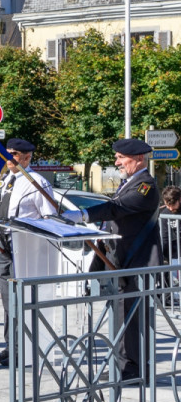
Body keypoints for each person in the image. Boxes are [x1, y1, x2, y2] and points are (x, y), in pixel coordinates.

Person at [64, 138, 161, 381]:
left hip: (138, 262)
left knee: (134, 318)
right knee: (120, 315)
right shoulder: (128, 183)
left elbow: (117, 208)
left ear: (138, 158)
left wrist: (83, 214)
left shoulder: (145, 186)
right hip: (120, 261)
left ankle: (135, 368)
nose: (116, 162)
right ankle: (123, 365)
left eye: (121, 157)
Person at [0, 138, 55, 367]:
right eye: (7, 154)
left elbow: (50, 218)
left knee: (24, 300)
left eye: (13, 154)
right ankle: (11, 346)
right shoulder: (5, 180)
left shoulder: (37, 183)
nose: (8, 158)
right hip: (3, 243)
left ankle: (25, 348)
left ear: (26, 157)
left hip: (25, 248)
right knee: (8, 300)